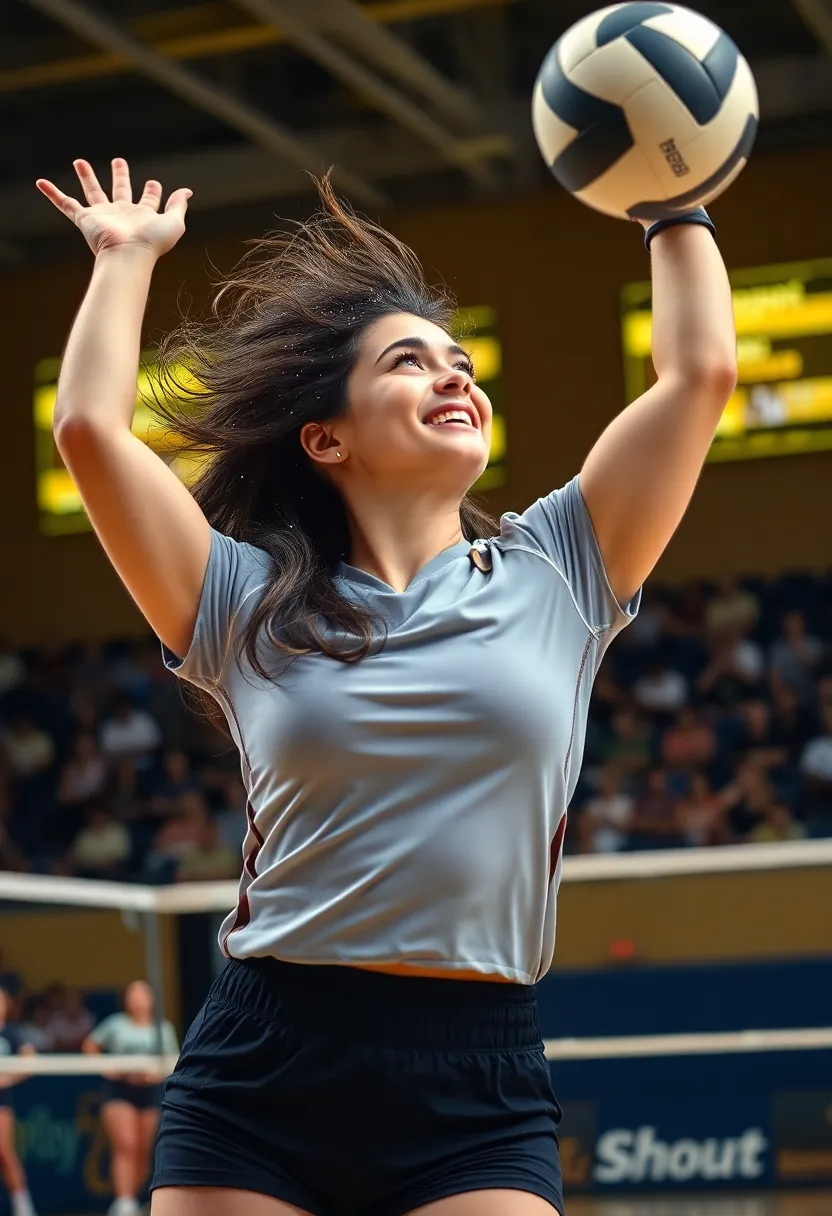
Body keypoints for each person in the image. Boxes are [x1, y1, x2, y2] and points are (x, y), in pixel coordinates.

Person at [37, 154, 737, 1216]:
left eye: (461, 361)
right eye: (410, 364)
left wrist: (671, 194)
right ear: (326, 437)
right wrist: (122, 258)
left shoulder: (564, 565)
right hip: (263, 1065)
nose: (454, 376)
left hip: (478, 1076)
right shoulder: (241, 596)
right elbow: (89, 431)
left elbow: (698, 377)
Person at [82, 981, 178, 1216]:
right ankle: (123, 1203)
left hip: (149, 1092)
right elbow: (90, 1046)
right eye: (133, 994)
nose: (138, 999)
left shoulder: (162, 1028)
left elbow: (173, 1060)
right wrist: (108, 1068)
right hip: (118, 1092)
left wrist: (153, 1074)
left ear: (151, 999)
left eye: (143, 994)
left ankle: (133, 1199)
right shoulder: (115, 1024)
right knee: (126, 1145)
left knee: (143, 1149)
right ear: (127, 1000)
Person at [0, 987, 37, 1216]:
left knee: (4, 1151)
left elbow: (30, 1060)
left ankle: (23, 1207)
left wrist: (7, 1078)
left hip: (2, 1101)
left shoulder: (11, 1034)